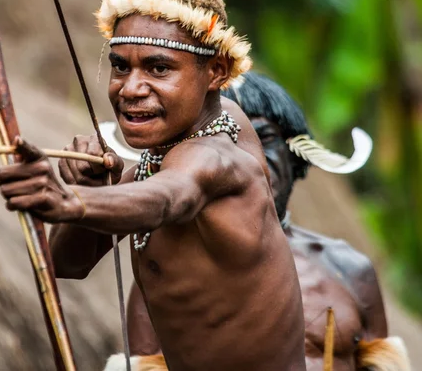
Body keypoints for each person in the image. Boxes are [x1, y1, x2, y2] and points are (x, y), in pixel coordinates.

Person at [0, 0, 306, 370]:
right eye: (120, 67)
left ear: (215, 72)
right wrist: (93, 188)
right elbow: (66, 264)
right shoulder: (164, 153)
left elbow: (169, 197)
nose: (130, 89)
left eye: (159, 69)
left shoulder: (218, 154)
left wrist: (68, 199)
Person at [120, 72, 411, 371]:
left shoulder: (348, 268)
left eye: (265, 139)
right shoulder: (162, 270)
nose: (250, 160)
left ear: (296, 158)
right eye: (231, 143)